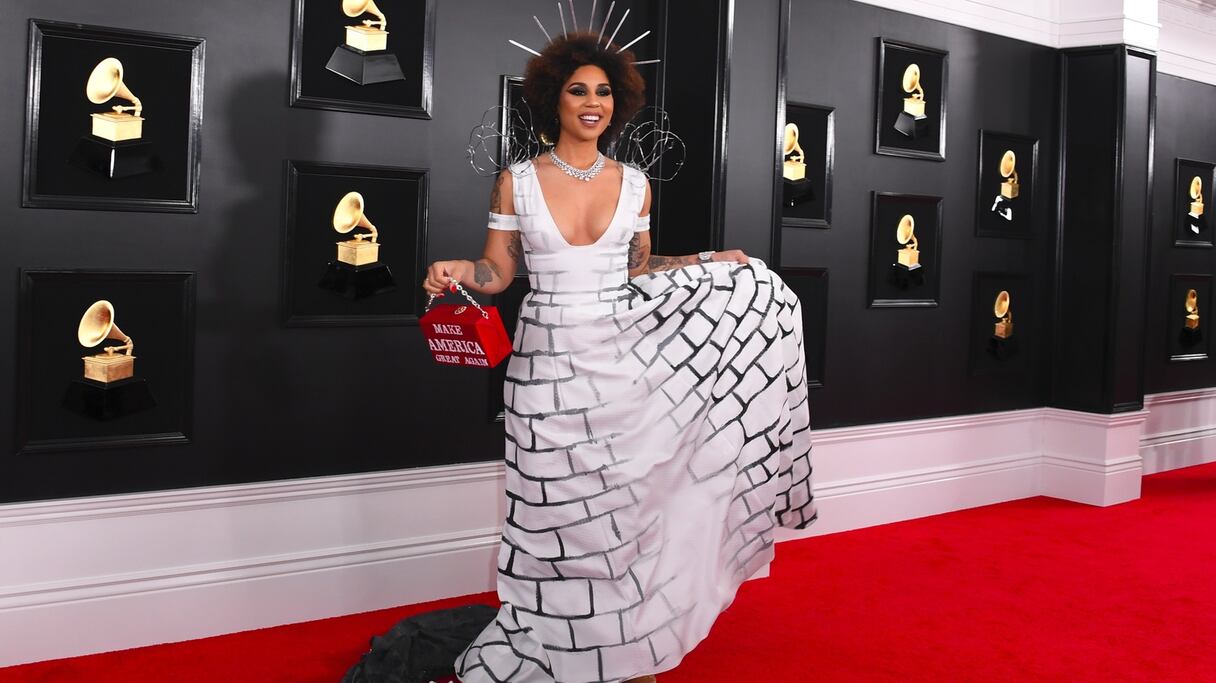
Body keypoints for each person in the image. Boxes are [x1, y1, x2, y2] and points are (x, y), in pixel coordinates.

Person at [422, 31, 816, 683]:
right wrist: (454, 268)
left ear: (618, 103)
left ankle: (624, 648)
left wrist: (704, 261)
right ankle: (551, 645)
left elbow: (637, 268)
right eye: (579, 89)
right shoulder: (515, 182)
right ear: (555, 99)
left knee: (621, 510)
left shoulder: (634, 184)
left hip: (620, 366)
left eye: (604, 91)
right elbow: (496, 271)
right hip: (544, 367)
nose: (592, 101)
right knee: (548, 513)